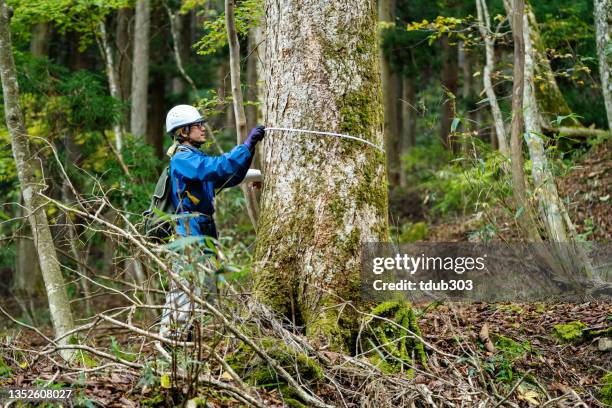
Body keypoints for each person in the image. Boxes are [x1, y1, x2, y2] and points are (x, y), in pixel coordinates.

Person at [158, 104, 265, 339]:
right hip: (188, 231)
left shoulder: (195, 159)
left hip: (203, 229)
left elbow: (226, 176)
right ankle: (169, 342)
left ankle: (187, 342)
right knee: (185, 288)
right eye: (197, 125)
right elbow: (216, 168)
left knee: (205, 289)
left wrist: (256, 171)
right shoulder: (183, 159)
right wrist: (244, 147)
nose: (203, 128)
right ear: (183, 132)